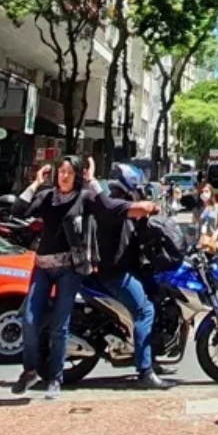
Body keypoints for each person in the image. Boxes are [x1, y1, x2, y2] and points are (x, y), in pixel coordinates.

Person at [9, 155, 88, 400]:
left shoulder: (82, 197)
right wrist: (35, 183)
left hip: (68, 268)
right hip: (43, 266)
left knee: (58, 326)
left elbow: (105, 204)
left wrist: (92, 178)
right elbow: (18, 210)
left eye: (69, 173)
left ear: (76, 177)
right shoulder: (46, 197)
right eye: (61, 172)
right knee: (30, 320)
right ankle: (30, 370)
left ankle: (55, 377)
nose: (63, 176)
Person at [86, 161, 165, 388]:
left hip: (126, 269)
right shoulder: (115, 205)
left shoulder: (116, 204)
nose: (138, 189)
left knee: (156, 294)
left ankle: (151, 354)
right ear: (128, 185)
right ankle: (145, 371)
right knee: (145, 310)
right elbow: (144, 208)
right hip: (116, 274)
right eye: (136, 185)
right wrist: (152, 206)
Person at [197, 183, 218, 254]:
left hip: (211, 241)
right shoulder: (197, 209)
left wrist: (216, 233)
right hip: (200, 242)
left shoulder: (217, 207)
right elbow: (194, 225)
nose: (204, 193)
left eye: (206, 191)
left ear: (211, 193)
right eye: (202, 192)